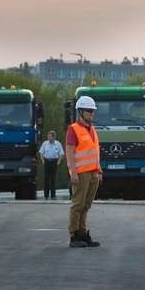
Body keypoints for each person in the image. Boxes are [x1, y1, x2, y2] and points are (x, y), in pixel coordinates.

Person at [65, 96, 102, 248]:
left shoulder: (92, 129)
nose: (92, 114)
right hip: (81, 173)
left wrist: (98, 170)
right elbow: (69, 152)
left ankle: (82, 232)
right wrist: (72, 173)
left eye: (93, 111)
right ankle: (74, 235)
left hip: (93, 172)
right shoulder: (73, 129)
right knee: (78, 204)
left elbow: (94, 151)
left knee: (86, 205)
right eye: (89, 111)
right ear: (80, 111)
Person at [38, 130, 64, 200]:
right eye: (48, 136)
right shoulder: (45, 143)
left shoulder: (58, 144)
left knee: (53, 179)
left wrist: (58, 162)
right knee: (46, 179)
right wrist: (43, 161)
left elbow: (61, 153)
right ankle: (46, 195)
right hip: (47, 162)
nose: (48, 138)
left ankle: (53, 195)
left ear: (53, 137)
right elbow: (41, 153)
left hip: (54, 162)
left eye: (50, 136)